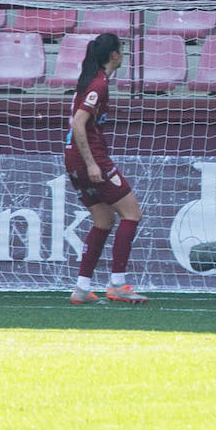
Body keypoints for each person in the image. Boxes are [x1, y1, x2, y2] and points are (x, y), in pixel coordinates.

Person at [64, 33, 147, 305]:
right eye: (122, 50)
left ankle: (81, 288)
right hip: (91, 159)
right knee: (132, 213)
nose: (123, 55)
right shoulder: (99, 84)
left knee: (103, 221)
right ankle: (118, 284)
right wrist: (91, 163)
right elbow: (78, 123)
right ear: (114, 55)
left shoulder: (90, 80)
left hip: (72, 159)